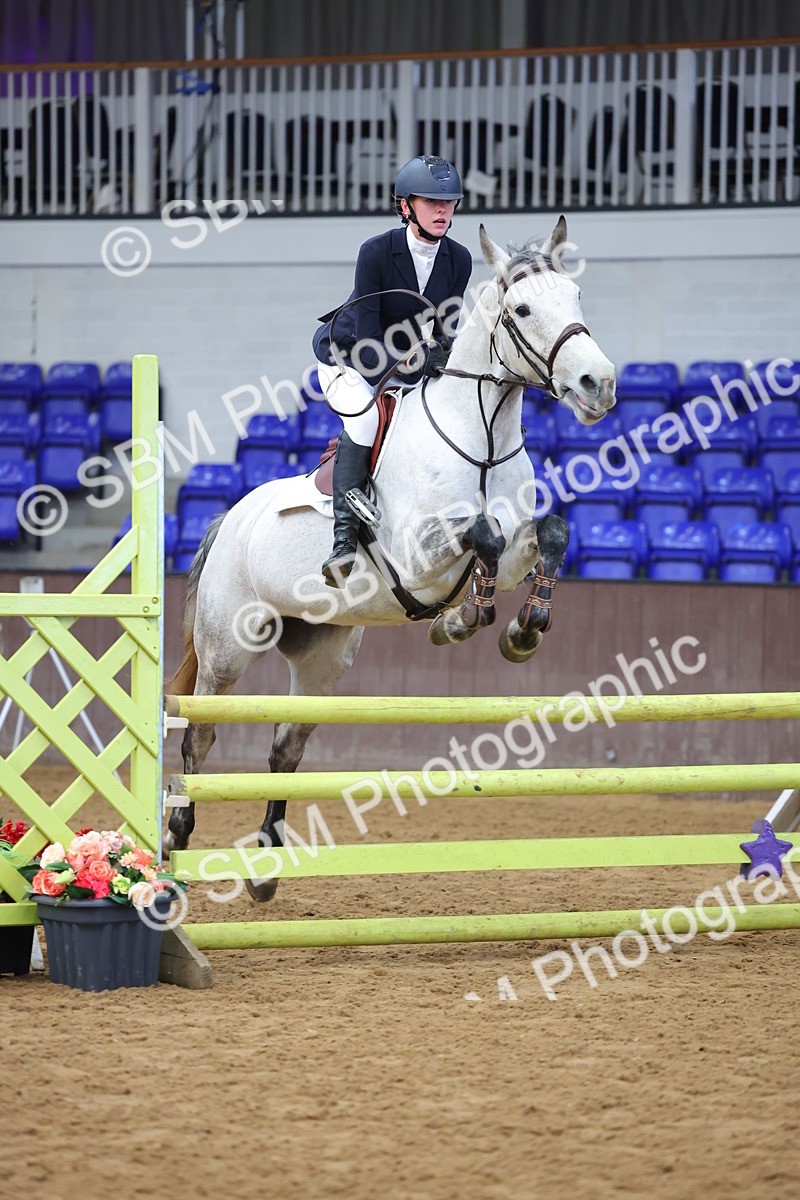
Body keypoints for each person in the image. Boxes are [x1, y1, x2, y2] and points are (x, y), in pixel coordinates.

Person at [312, 154, 472, 585]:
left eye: (449, 202)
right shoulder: (377, 252)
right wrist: (418, 370)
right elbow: (366, 339)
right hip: (345, 355)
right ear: (405, 206)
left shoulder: (459, 259)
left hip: (401, 356)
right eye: (430, 202)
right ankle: (343, 543)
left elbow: (444, 332)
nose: (442, 211)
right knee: (366, 422)